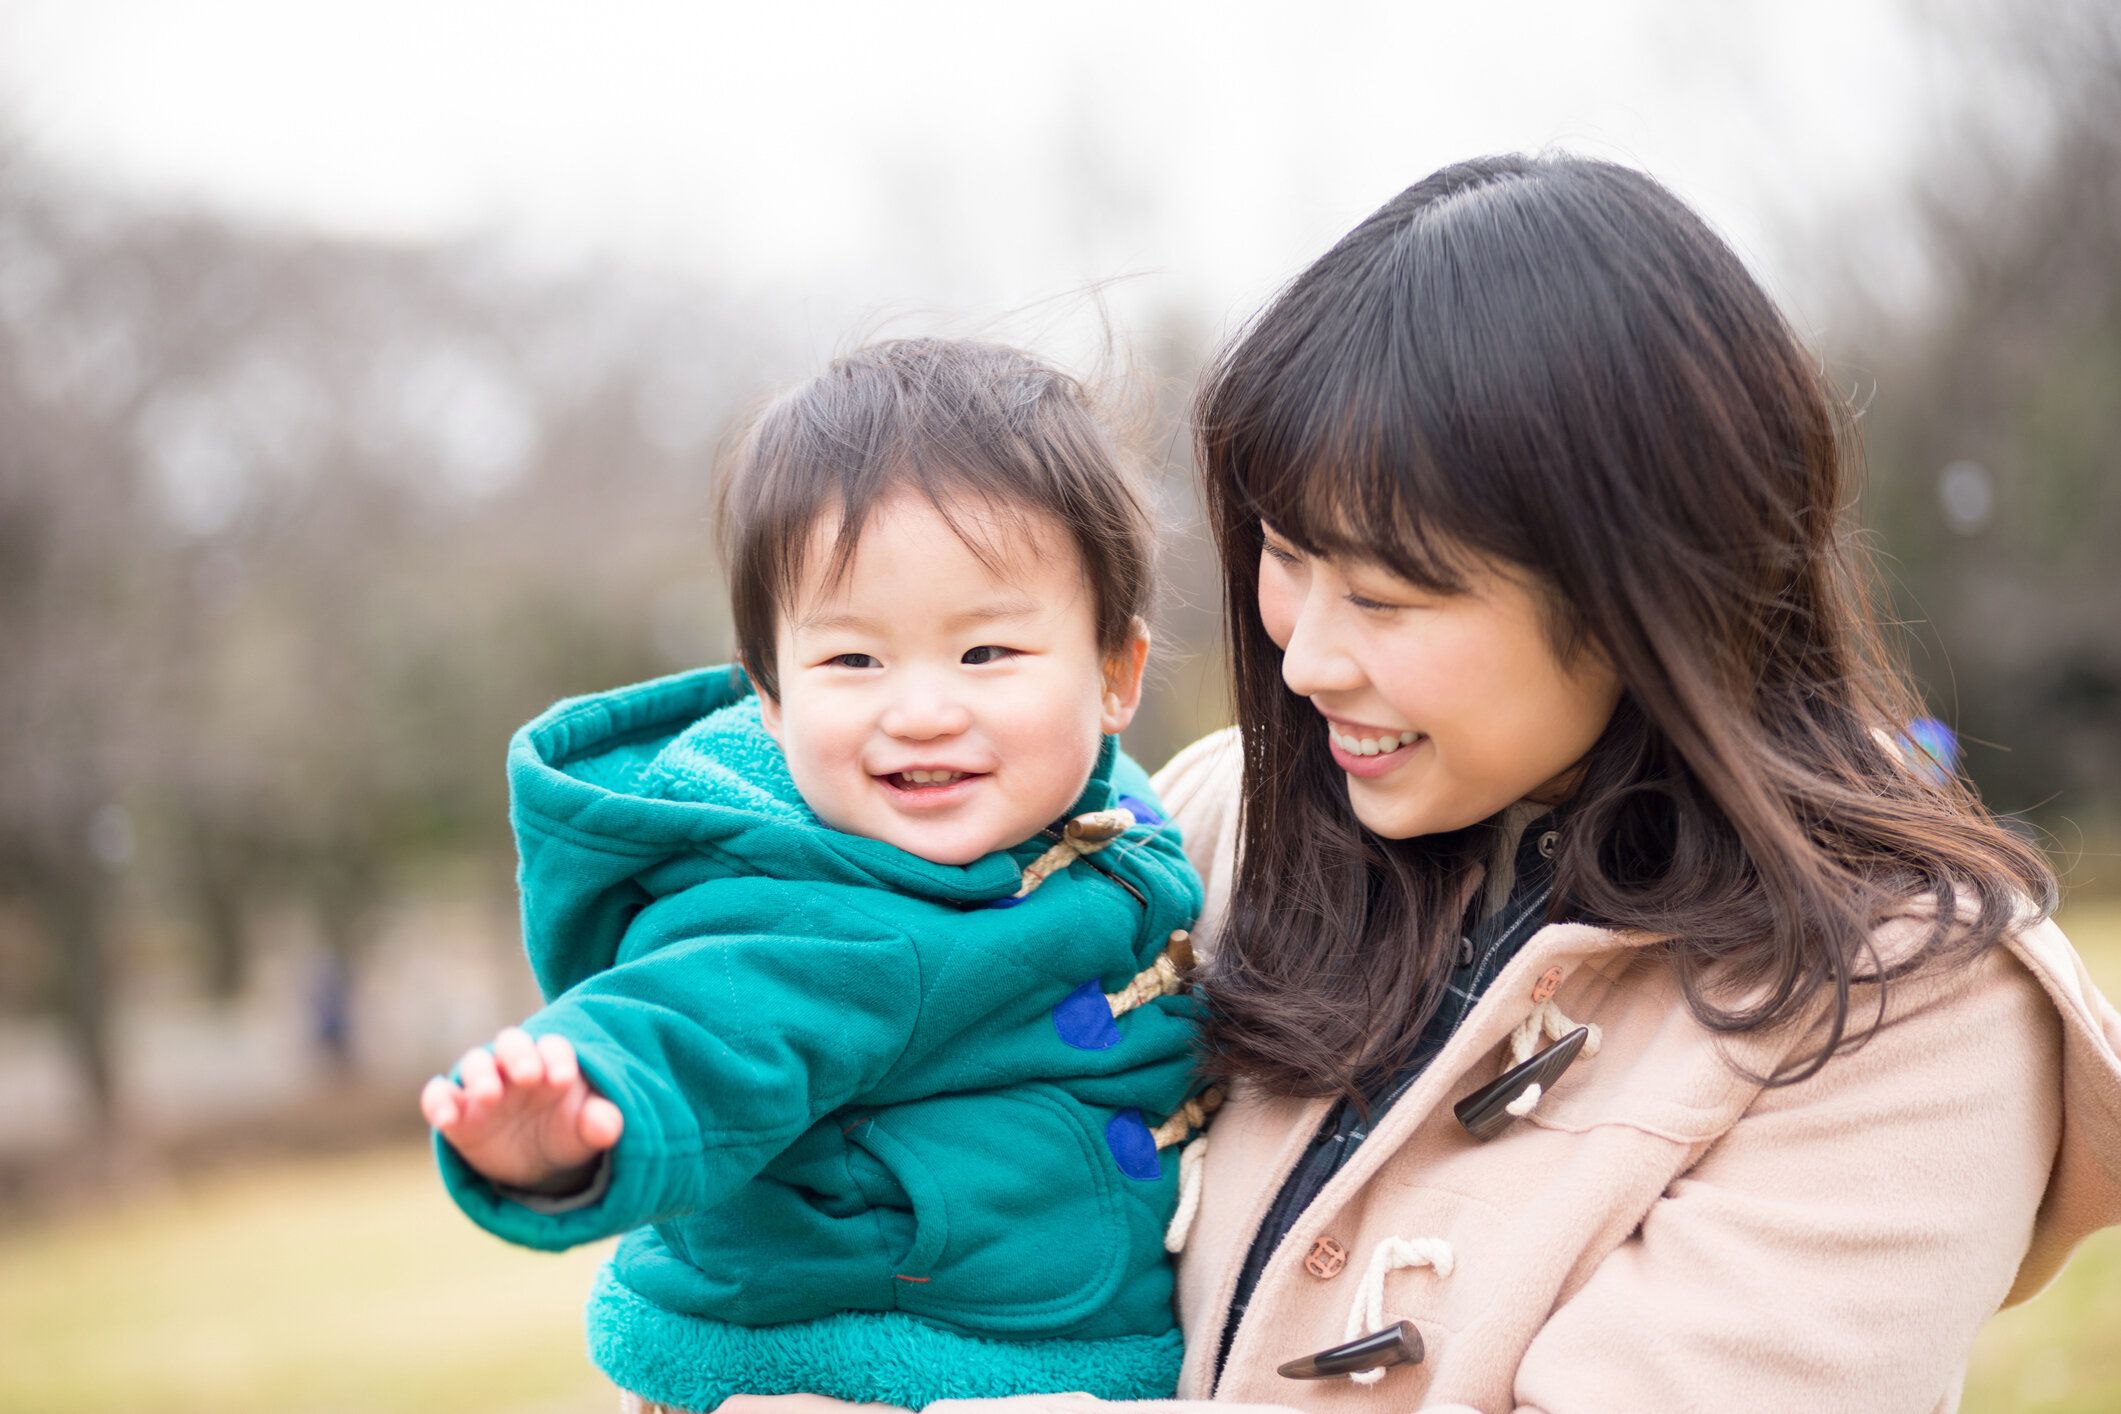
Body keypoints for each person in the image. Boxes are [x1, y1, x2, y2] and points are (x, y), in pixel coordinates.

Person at [885, 153, 2118, 1414]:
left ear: (1647, 589)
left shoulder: (1911, 1011)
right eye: (1288, 555)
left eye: (1387, 595)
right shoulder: (1213, 826)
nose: (1306, 658)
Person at [418, 338, 1215, 1412]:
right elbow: (697, 1022)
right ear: (773, 698)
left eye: (985, 655)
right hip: (866, 1373)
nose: (921, 708)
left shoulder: (1107, 814)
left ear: (1115, 672)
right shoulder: (827, 912)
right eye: (853, 660)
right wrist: (569, 1125)